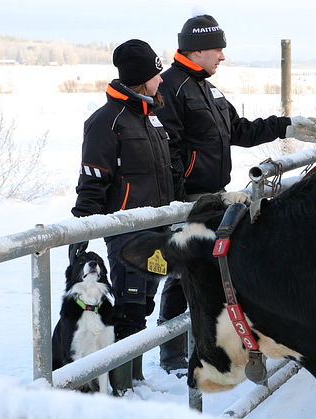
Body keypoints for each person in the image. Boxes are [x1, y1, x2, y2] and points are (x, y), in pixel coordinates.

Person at [154, 11, 316, 374]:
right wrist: (175, 198)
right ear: (198, 50)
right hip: (186, 197)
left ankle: (205, 343)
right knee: (184, 272)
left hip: (211, 195)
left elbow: (238, 130)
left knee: (208, 272)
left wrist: (286, 126)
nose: (222, 56)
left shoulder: (208, 87)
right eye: (217, 48)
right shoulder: (173, 87)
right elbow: (166, 147)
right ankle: (169, 354)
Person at [69, 39, 182, 395]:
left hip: (157, 232)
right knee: (128, 311)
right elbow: (93, 182)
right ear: (140, 78)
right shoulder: (107, 122)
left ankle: (133, 379)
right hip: (127, 236)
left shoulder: (151, 117)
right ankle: (119, 388)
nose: (161, 81)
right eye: (156, 75)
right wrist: (81, 232)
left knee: (142, 308)